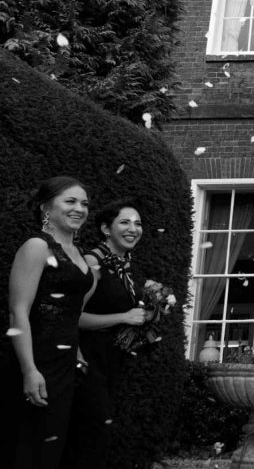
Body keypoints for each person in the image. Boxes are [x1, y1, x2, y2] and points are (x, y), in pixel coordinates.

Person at [3, 177, 95, 469]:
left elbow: (72, 312)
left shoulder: (79, 253)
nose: (79, 208)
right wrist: (29, 370)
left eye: (84, 203)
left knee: (59, 446)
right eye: (70, 201)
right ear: (46, 207)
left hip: (67, 363)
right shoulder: (36, 246)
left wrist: (78, 355)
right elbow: (18, 312)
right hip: (37, 358)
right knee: (32, 446)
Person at [62, 199, 151, 468]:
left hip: (113, 361)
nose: (133, 229)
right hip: (87, 360)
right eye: (124, 222)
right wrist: (124, 317)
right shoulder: (93, 262)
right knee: (90, 437)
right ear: (105, 228)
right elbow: (72, 317)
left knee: (101, 435)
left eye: (137, 223)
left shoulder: (124, 266)